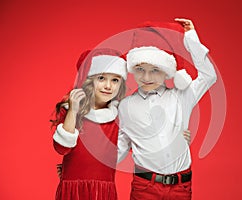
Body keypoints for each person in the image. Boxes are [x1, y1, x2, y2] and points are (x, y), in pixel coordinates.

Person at [117, 18, 217, 200]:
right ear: (132, 69)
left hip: (180, 187)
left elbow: (209, 76)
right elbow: (120, 147)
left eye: (155, 70)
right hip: (145, 187)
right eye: (140, 69)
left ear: (166, 71)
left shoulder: (182, 96)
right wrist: (80, 163)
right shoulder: (126, 106)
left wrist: (191, 38)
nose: (146, 77)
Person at [51, 48, 127, 200]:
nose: (108, 86)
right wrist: (73, 111)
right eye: (101, 78)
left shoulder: (120, 116)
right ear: (88, 80)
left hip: (103, 191)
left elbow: (136, 143)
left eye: (115, 80)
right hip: (73, 189)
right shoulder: (71, 110)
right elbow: (62, 148)